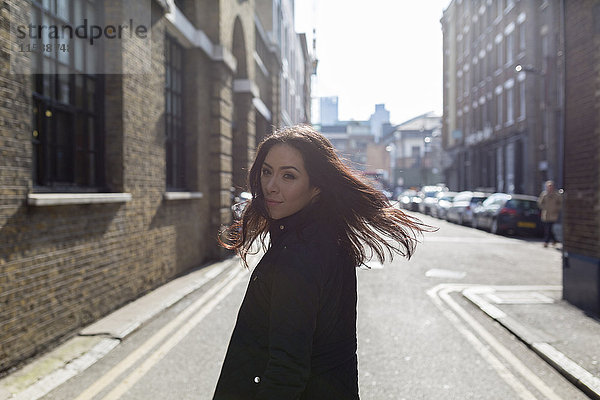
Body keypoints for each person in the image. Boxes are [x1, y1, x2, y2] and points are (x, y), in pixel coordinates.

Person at [213, 125, 430, 400]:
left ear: (316, 187)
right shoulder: (322, 237)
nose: (271, 185)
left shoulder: (300, 253)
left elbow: (286, 370)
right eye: (267, 171)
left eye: (288, 176)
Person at [537, 180, 563, 247]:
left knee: (549, 228)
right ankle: (554, 240)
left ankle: (546, 242)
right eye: (549, 186)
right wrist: (544, 207)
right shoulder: (544, 194)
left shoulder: (556, 195)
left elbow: (561, 203)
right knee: (548, 229)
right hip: (546, 214)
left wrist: (556, 209)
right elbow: (540, 203)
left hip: (553, 214)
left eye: (551, 186)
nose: (550, 188)